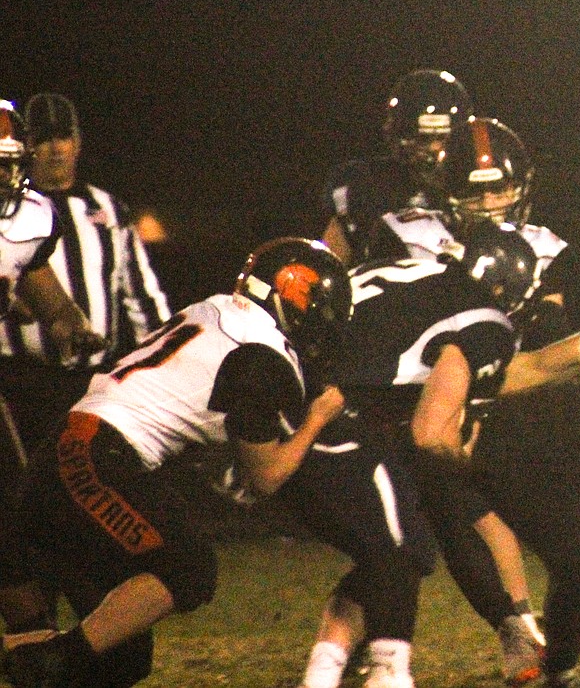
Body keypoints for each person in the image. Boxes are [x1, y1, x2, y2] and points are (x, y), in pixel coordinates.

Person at [0, 237, 354, 688]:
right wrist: (318, 419)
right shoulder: (260, 358)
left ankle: (40, 655)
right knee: (187, 566)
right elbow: (266, 476)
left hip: (75, 450)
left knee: (120, 659)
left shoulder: (216, 309)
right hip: (96, 456)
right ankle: (45, 659)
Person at [368, 116, 580, 688]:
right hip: (419, 406)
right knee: (441, 525)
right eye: (476, 191)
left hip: (506, 413)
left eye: (500, 188)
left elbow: (547, 344)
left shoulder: (547, 249)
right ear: (448, 194)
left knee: (577, 561)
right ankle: (509, 635)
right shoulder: (405, 232)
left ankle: (558, 666)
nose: (492, 202)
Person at [280, 221, 549, 688]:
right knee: (404, 549)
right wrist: (472, 466)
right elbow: (428, 434)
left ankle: (322, 674)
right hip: (332, 412)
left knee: (390, 552)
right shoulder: (486, 319)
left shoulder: (414, 272)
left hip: (283, 390)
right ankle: (390, 673)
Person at [0, 92, 171, 482]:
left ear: (77, 143)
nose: (55, 148)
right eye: (43, 139)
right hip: (20, 381)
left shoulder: (105, 209)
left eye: (63, 137)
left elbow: (139, 296)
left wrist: (160, 362)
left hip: (88, 382)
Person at [0, 98, 107, 636]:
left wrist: (71, 323)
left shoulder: (30, 217)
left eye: (9, 163)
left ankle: (34, 641)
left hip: (21, 385)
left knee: (23, 510)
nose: (5, 177)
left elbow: (40, 289)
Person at [321, 68, 473, 267]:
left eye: (444, 138)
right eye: (425, 138)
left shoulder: (481, 187)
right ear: (399, 136)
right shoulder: (367, 185)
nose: (436, 148)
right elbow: (326, 267)